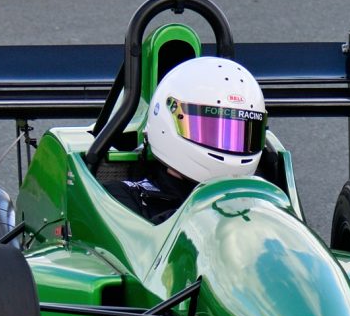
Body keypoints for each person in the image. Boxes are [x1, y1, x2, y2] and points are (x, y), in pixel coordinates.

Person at [114, 55, 267, 223]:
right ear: (166, 123)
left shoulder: (264, 201)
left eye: (239, 135)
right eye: (211, 132)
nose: (230, 147)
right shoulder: (122, 200)